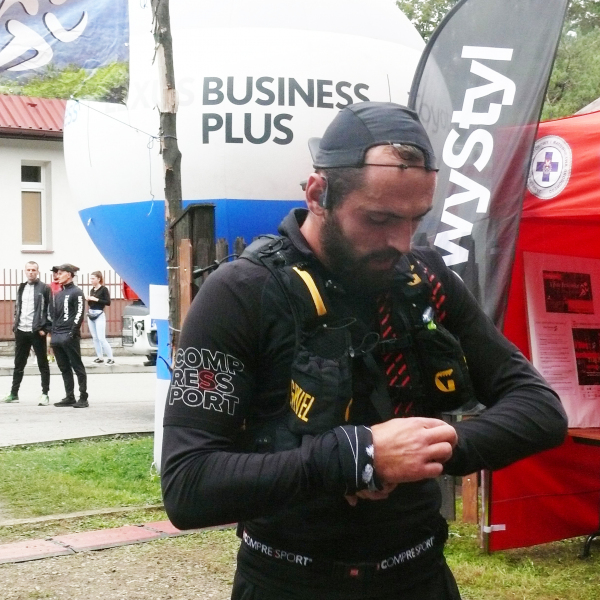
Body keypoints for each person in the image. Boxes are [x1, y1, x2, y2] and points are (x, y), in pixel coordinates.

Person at [161, 102, 568, 600]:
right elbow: (188, 485)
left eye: (416, 219)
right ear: (319, 195)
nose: (402, 242)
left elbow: (541, 409)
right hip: (288, 583)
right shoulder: (242, 293)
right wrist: (357, 458)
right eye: (379, 219)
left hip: (418, 577)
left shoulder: (426, 282)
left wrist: (428, 449)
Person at [2, 261, 51, 406]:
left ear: (38, 271)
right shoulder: (22, 287)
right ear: (25, 271)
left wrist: (45, 328)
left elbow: (49, 309)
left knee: (42, 363)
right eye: (28, 270)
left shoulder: (44, 288)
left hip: (36, 331)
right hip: (21, 331)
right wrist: (15, 325)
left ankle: (45, 394)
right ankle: (14, 393)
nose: (31, 272)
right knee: (19, 364)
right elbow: (18, 307)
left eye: (33, 270)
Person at [50, 264, 89, 408]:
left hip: (69, 335)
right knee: (64, 367)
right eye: (57, 273)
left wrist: (72, 332)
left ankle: (83, 397)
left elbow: (79, 313)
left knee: (77, 366)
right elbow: (55, 315)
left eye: (61, 273)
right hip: (57, 336)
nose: (58, 276)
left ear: (69, 274)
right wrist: (53, 334)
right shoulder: (58, 294)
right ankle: (69, 396)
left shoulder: (77, 292)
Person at [86, 271, 115, 365]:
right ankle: (100, 357)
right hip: (91, 313)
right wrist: (89, 299)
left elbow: (108, 302)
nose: (91, 280)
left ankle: (110, 358)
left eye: (93, 278)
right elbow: (91, 304)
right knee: (95, 337)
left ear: (99, 279)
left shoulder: (104, 289)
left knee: (101, 338)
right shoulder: (92, 290)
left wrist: (96, 299)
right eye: (91, 278)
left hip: (99, 314)